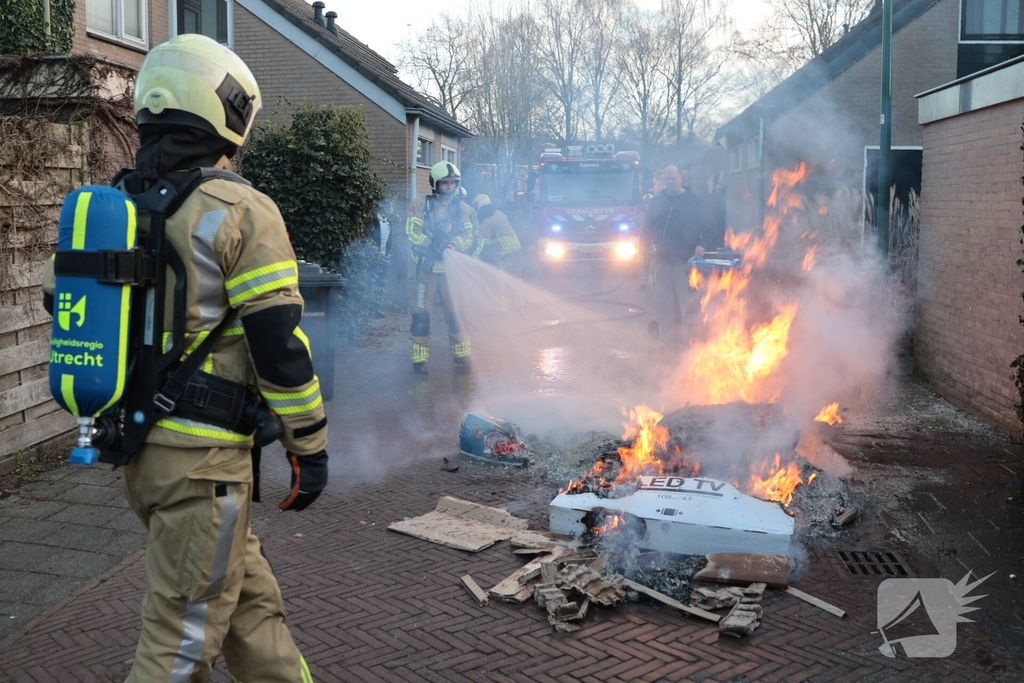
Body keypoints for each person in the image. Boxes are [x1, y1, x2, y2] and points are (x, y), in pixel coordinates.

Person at [42, 35, 328, 682]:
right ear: (224, 113)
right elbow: (280, 344)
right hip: (205, 469)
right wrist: (309, 446)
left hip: (143, 455)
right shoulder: (239, 209)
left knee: (253, 615)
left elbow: (60, 302)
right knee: (176, 647)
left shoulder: (111, 207)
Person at [406, 161, 478, 373]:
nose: (449, 186)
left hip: (451, 273)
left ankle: (461, 356)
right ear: (435, 183)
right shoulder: (419, 205)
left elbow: (469, 235)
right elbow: (412, 231)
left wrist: (454, 243)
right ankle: (419, 360)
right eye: (444, 183)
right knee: (421, 316)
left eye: (452, 183)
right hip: (426, 271)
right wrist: (430, 244)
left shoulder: (465, 209)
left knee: (457, 315)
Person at [641, 164, 715, 348]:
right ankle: (665, 343)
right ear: (663, 181)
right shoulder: (657, 202)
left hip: (684, 263)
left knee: (687, 306)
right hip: (662, 261)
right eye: (667, 179)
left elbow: (710, 226)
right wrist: (642, 250)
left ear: (681, 178)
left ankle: (688, 344)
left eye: (673, 178)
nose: (670, 182)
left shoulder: (694, 201)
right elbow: (647, 228)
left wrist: (702, 245)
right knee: (663, 306)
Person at [471, 194, 523, 309]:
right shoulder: (500, 213)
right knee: (516, 280)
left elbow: (482, 245)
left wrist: (472, 259)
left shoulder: (485, 223)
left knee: (501, 283)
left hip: (505, 254)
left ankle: (502, 311)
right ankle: (519, 308)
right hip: (517, 249)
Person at [369, 197, 396, 318]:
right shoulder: (374, 220)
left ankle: (375, 309)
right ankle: (368, 310)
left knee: (380, 284)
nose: (392, 208)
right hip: (374, 257)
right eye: (390, 206)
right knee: (371, 283)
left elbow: (388, 239)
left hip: (383, 257)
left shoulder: (388, 221)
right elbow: (369, 237)